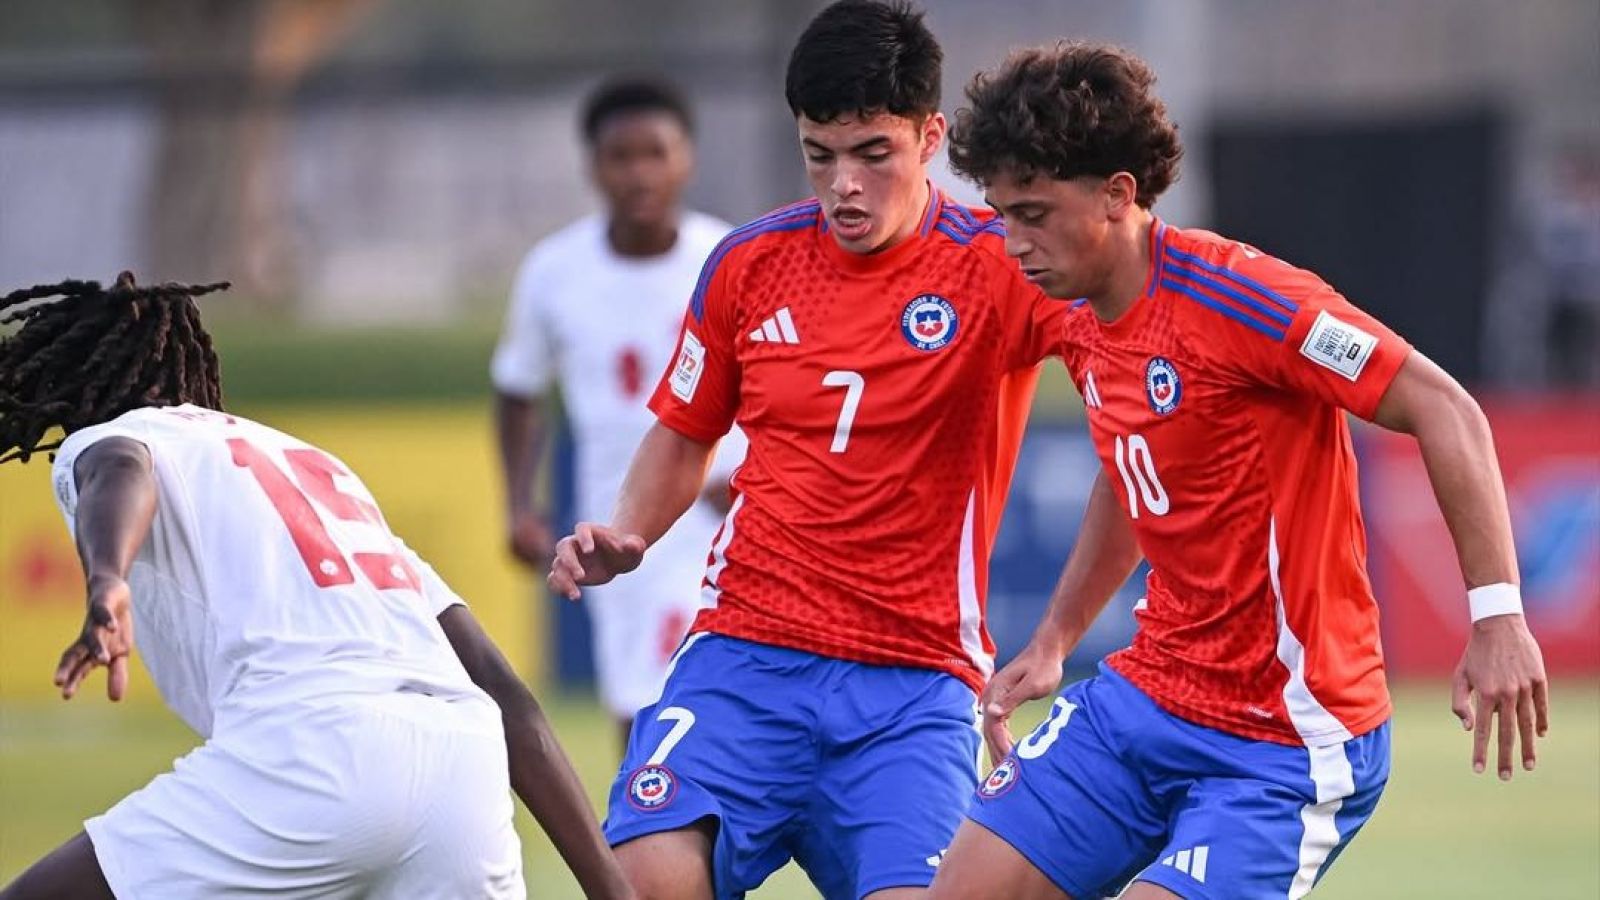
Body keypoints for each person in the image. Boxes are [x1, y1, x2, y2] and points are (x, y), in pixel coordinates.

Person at [926, 42, 1551, 900]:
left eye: (1032, 213)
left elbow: (1446, 409)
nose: (1013, 241)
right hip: (1146, 700)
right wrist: (1057, 639)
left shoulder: (1248, 300)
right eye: (1001, 214)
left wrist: (1498, 617)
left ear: (1117, 196)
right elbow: (1130, 460)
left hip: (1286, 740)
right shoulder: (1069, 307)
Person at [546, 2, 1070, 897]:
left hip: (914, 683)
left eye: (874, 153)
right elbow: (684, 430)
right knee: (638, 882)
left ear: (931, 136)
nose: (845, 186)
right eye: (819, 154)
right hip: (746, 657)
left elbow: (1132, 342)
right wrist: (628, 530)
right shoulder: (749, 264)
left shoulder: (1000, 266)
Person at [0, 275, 631, 900]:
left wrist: (107, 578)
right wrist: (614, 892)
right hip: (462, 768)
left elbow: (120, 470)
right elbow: (505, 694)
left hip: (314, 755)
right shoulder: (322, 476)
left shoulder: (116, 437)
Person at [492, 77, 744, 746]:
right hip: (625, 525)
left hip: (730, 511)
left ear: (685, 158)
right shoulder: (554, 270)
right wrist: (520, 503)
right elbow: (518, 388)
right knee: (638, 703)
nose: (638, 173)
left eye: (654, 153)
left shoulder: (728, 258)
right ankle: (646, 828)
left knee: (731, 694)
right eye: (620, 156)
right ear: (593, 166)